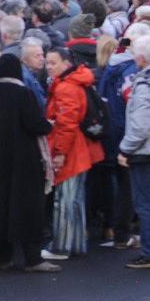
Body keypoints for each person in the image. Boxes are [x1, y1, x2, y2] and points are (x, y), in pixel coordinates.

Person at [0, 55, 57, 273]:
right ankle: (33, 258)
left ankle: (4, 258)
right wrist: (49, 125)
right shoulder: (23, 94)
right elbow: (35, 124)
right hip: (23, 163)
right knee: (28, 208)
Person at [45, 46, 102, 260]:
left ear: (66, 63)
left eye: (53, 63)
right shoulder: (76, 82)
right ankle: (75, 242)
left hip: (71, 150)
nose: (48, 67)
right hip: (81, 147)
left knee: (64, 200)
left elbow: (66, 124)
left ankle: (61, 246)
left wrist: (59, 152)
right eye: (47, 63)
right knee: (75, 199)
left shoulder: (65, 87)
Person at [119, 34, 150, 269]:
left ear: (140, 59)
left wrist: (124, 150)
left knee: (145, 204)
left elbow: (139, 127)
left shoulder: (144, 87)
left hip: (146, 151)